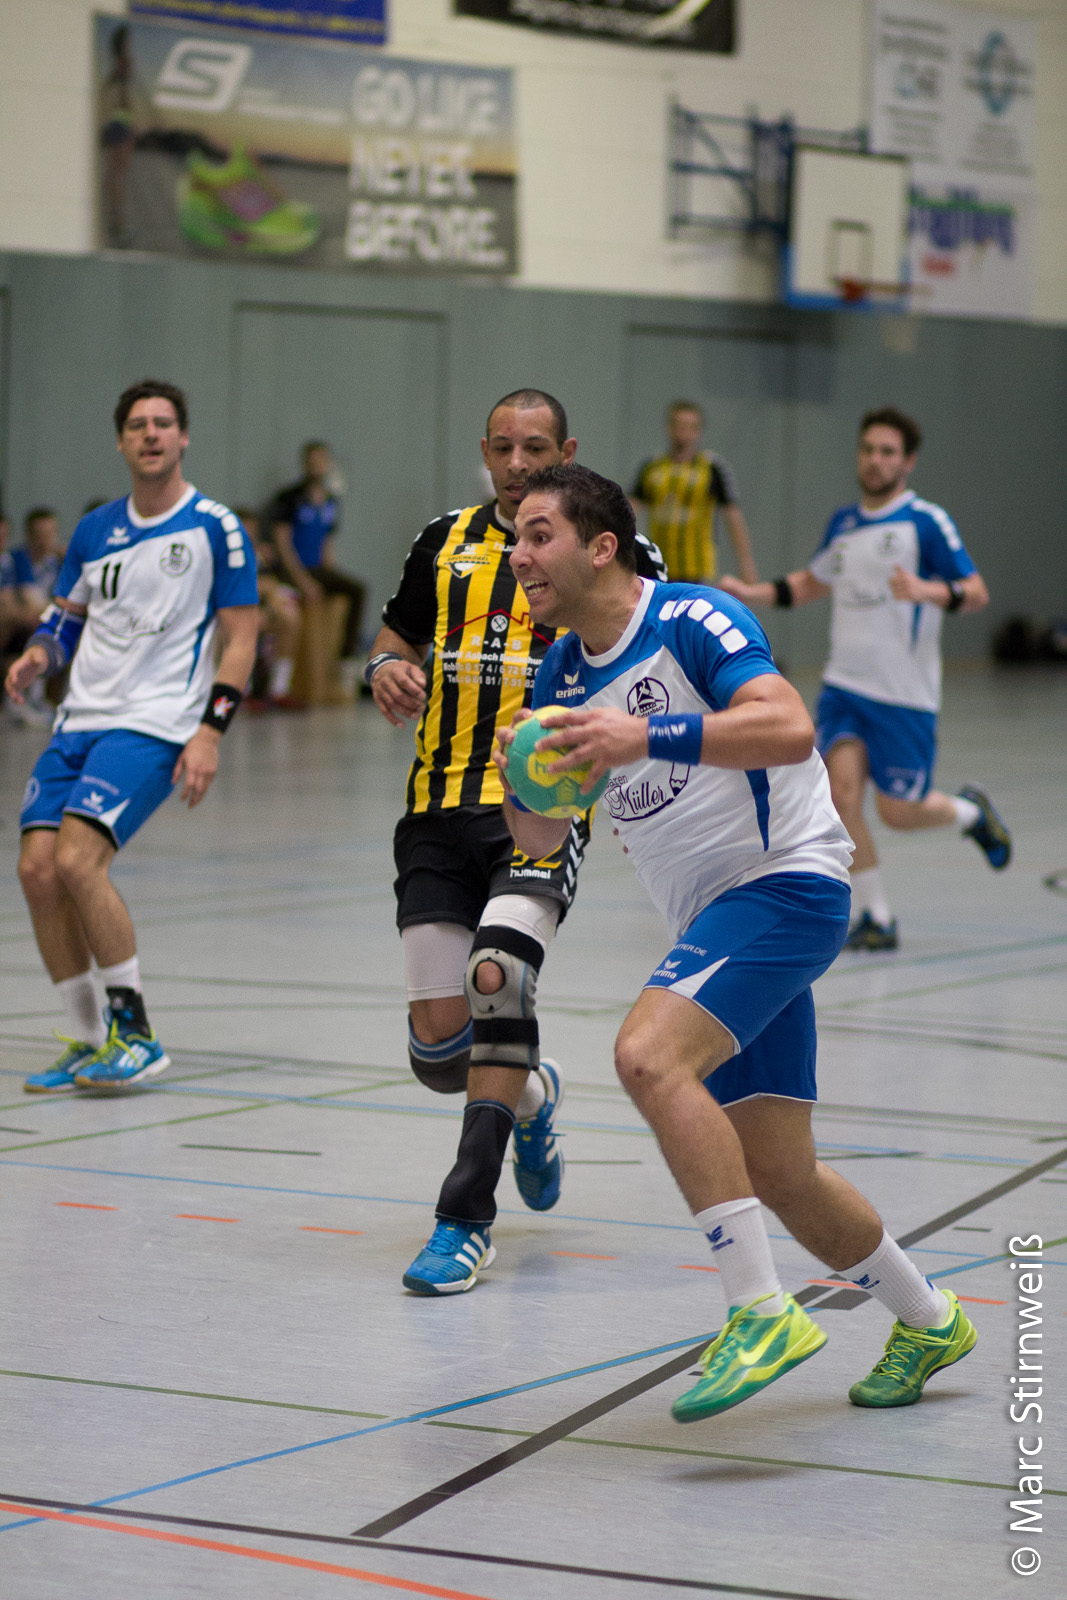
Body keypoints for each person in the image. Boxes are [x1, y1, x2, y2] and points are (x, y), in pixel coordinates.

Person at [497, 460, 977, 1421]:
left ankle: (759, 1311)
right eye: (515, 539)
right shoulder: (561, 673)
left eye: (538, 534)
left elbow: (788, 727)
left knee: (646, 1057)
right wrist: (525, 767)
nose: (519, 556)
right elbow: (540, 837)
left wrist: (642, 738)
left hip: (785, 885)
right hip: (714, 920)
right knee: (780, 1171)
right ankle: (929, 1319)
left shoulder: (691, 618)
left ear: (601, 547)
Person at [366, 388, 667, 1295]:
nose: (516, 463)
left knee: (498, 977)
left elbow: (647, 657)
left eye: (534, 448)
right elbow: (394, 634)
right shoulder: (442, 541)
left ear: (564, 452)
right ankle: (531, 1097)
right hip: (435, 807)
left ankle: (463, 1220)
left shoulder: (610, 547)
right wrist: (385, 667)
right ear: (485, 451)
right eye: (502, 447)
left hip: (536, 809)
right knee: (438, 1052)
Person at [5, 379, 258, 1094]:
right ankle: (90, 1037)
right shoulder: (95, 530)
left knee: (79, 860)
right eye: (138, 425)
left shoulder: (215, 527)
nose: (151, 434)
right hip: (79, 718)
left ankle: (137, 1034)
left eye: (164, 423)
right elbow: (65, 619)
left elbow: (242, 639)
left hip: (155, 722)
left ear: (183, 438)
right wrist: (39, 654)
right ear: (120, 442)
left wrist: (209, 733)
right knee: (37, 870)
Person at [718, 406, 1010, 950]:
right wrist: (754, 594)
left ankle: (971, 812)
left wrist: (927, 591)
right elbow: (813, 581)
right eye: (868, 449)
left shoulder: (926, 522)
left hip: (903, 695)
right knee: (841, 794)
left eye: (888, 452)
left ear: (908, 462)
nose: (875, 460)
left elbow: (976, 592)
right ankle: (877, 916)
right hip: (844, 688)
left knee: (899, 813)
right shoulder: (845, 524)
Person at [270, 442, 366, 696]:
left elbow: (327, 543)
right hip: (295, 568)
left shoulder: (331, 501)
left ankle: (346, 657)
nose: (316, 467)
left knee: (357, 590)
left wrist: (330, 573)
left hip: (319, 568)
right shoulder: (289, 499)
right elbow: (283, 543)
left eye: (321, 462)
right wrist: (302, 581)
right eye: (312, 462)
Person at [630, 400, 759, 586]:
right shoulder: (652, 467)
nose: (684, 433)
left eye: (690, 427)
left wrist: (746, 564)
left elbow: (733, 517)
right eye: (679, 426)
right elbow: (630, 511)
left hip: (696, 569)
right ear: (669, 428)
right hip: (658, 567)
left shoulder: (712, 468)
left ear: (698, 431)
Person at [236, 505, 304, 710]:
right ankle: (241, 689)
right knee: (251, 622)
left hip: (261, 607)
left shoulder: (260, 554)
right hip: (231, 612)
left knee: (289, 619)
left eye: (252, 531)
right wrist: (264, 589)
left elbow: (272, 581)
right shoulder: (225, 552)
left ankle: (279, 688)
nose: (250, 535)